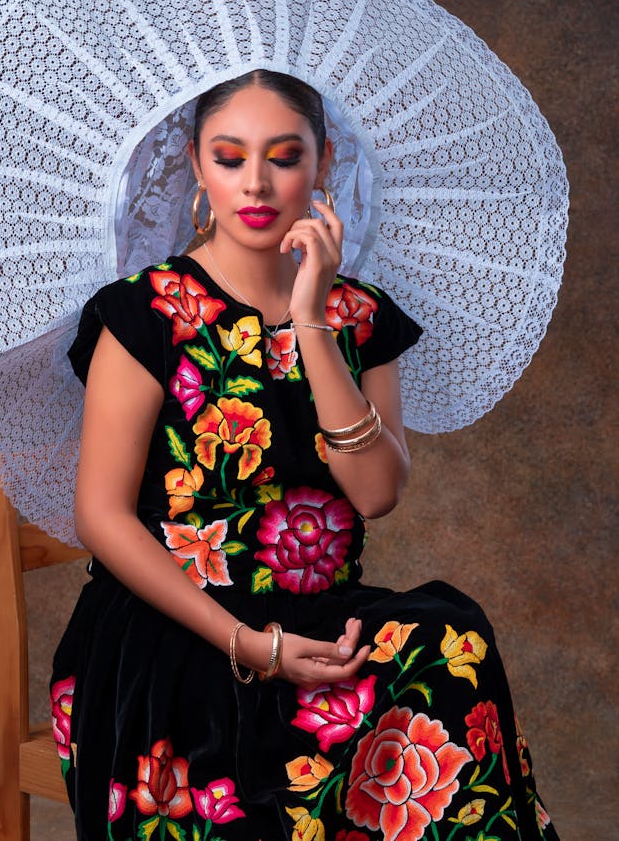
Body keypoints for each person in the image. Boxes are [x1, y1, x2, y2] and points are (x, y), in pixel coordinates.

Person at [50, 69, 557, 840]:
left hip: (320, 615)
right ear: (195, 164)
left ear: (322, 165)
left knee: (453, 642)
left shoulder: (358, 317)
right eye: (229, 157)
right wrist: (249, 645)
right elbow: (101, 514)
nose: (256, 182)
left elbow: (378, 492)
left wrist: (312, 322)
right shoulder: (141, 312)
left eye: (284, 156)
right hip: (177, 626)